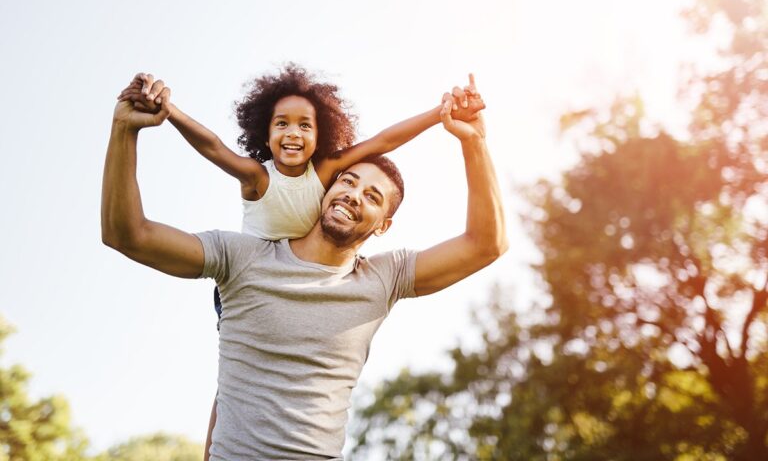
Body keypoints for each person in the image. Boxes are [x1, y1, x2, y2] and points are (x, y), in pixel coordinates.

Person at [101, 74, 507, 460]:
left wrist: (475, 142)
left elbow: (486, 244)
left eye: (372, 196)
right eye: (347, 182)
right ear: (326, 187)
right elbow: (129, 234)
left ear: (384, 225)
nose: (352, 195)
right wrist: (125, 130)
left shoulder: (384, 279)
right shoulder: (240, 257)